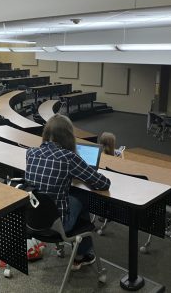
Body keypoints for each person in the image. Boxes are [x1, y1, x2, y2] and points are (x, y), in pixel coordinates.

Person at [25, 114, 110, 270]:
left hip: (33, 220)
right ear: (68, 136)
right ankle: (80, 254)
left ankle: (81, 250)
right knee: (83, 195)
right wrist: (81, 176)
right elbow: (103, 183)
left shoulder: (30, 153)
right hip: (59, 225)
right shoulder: (69, 157)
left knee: (70, 194)